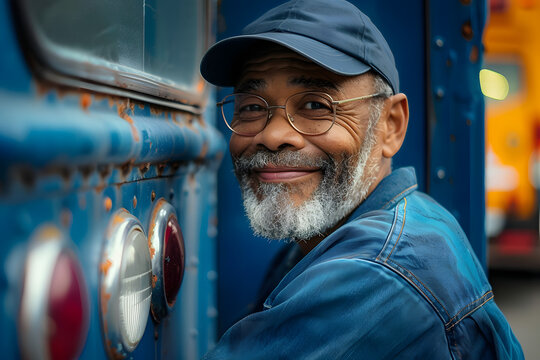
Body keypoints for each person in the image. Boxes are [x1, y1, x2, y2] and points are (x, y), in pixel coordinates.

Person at [200, 0, 524, 358]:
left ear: (391, 126)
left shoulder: (378, 274)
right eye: (252, 107)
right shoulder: (374, 227)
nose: (273, 135)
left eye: (315, 105)